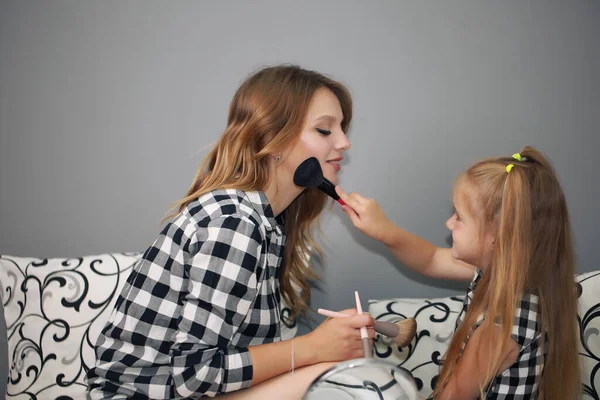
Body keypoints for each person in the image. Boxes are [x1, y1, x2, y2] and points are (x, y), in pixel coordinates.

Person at [87, 65, 375, 400]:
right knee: (339, 379)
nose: (344, 141)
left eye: (341, 128)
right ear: (273, 139)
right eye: (325, 130)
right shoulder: (235, 223)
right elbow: (195, 374)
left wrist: (328, 344)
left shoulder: (267, 223)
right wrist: (313, 348)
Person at [336, 146, 580, 399]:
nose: (449, 223)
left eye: (459, 217)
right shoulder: (501, 272)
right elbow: (430, 259)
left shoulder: (499, 327)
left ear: (497, 238)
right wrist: (384, 230)